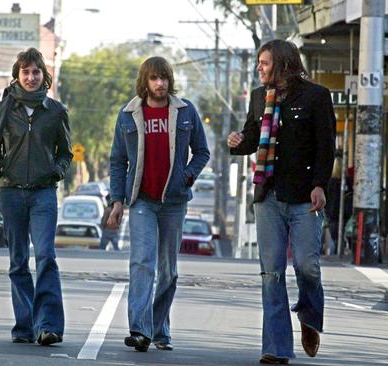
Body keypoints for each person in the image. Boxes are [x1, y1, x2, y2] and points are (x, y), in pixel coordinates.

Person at [227, 39, 335, 364]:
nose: (259, 68)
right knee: (271, 273)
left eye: (264, 63)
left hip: (304, 196)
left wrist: (319, 185)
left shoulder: (316, 96)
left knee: (307, 266)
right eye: (258, 63)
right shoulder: (259, 98)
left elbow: (326, 146)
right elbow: (250, 137)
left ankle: (309, 318)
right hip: (268, 196)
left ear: (283, 63)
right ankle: (276, 347)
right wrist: (237, 142)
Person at [108, 56, 209, 352]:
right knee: (142, 263)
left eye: (164, 78)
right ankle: (140, 330)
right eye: (154, 78)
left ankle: (159, 330)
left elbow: (202, 152)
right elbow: (118, 161)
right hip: (142, 201)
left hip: (174, 202)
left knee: (168, 270)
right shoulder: (128, 114)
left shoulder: (185, 111)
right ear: (145, 81)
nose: (160, 83)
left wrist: (186, 176)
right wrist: (117, 201)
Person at [0, 48, 72, 346]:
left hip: (43, 193)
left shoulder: (56, 111)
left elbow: (66, 153)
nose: (31, 77)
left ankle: (49, 326)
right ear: (17, 75)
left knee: (45, 257)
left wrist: (55, 172)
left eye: (36, 72)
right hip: (11, 192)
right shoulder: (4, 109)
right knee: (18, 261)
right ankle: (25, 325)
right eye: (25, 72)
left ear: (44, 75)